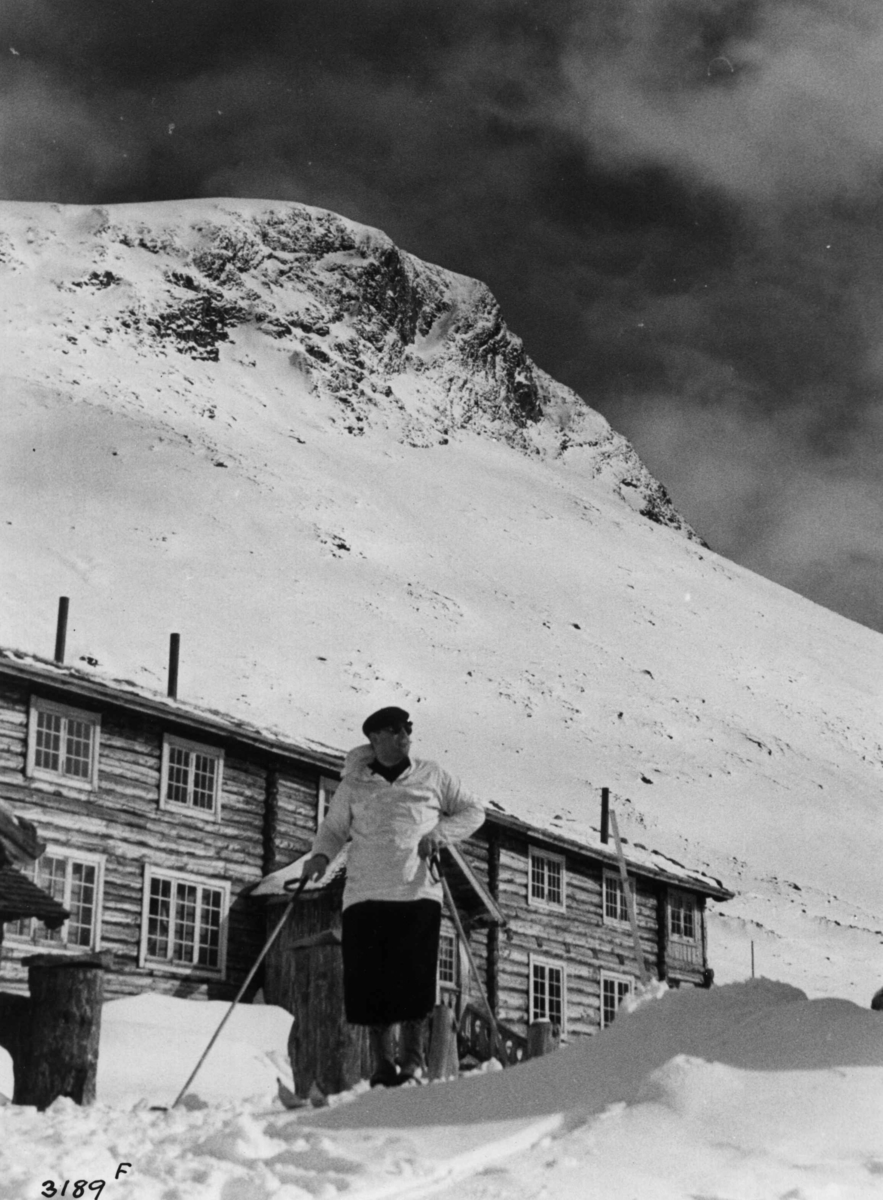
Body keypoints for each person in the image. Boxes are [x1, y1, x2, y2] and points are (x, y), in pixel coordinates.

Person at [301, 705, 485, 1086]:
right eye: (396, 730)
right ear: (375, 738)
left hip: (417, 891)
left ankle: (413, 1065)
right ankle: (383, 1068)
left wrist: (439, 834)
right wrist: (320, 856)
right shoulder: (354, 784)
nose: (405, 736)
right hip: (364, 894)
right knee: (371, 984)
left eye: (408, 728)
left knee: (414, 981)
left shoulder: (431, 775)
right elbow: (334, 830)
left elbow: (473, 811)